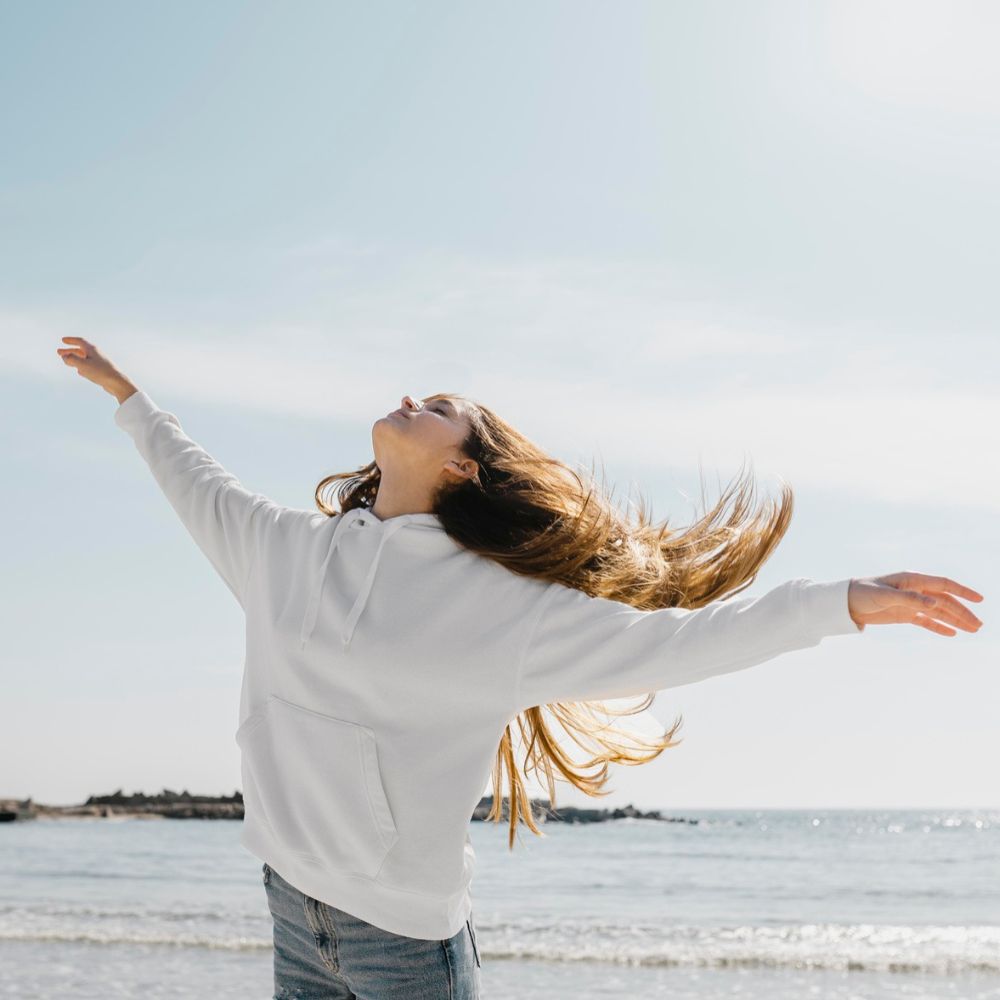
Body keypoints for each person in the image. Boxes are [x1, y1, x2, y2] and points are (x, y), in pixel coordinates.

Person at [57, 336, 984, 1000]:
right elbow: (196, 480)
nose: (415, 396)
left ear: (464, 470)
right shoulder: (281, 550)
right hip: (291, 908)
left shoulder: (505, 611)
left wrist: (844, 603)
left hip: (404, 948)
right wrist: (129, 398)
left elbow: (684, 642)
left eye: (443, 410)